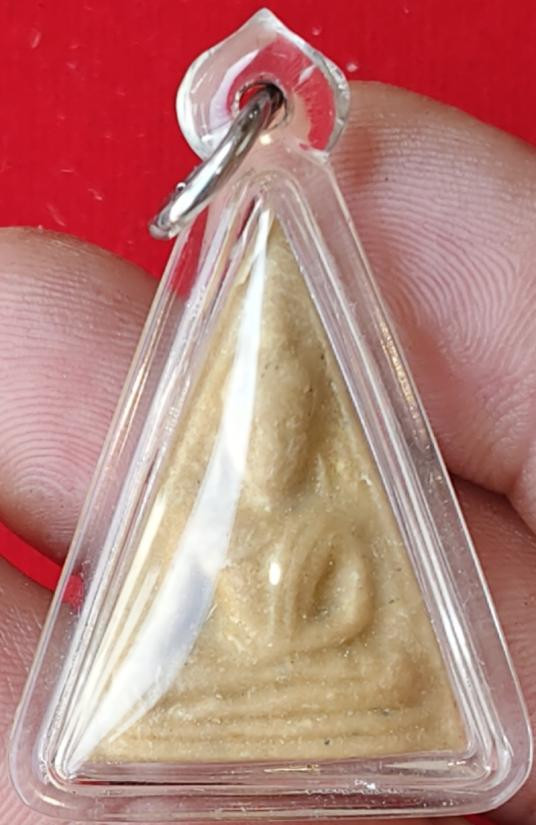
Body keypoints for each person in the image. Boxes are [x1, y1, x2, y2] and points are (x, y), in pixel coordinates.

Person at [0, 83, 534, 825]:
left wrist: (307, 642)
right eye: (261, 430)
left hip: (332, 689)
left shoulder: (337, 519)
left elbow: (359, 621)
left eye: (291, 427)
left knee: (394, 675)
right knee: (161, 703)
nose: (275, 448)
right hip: (232, 700)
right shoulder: (194, 511)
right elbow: (178, 623)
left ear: (310, 421)